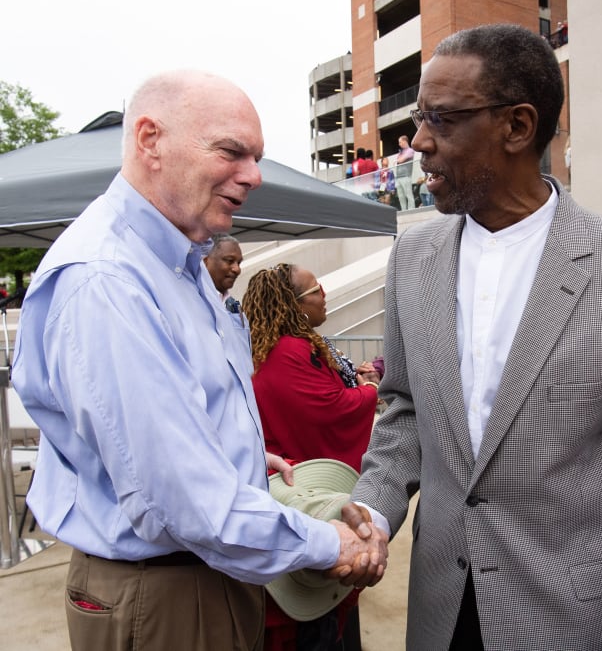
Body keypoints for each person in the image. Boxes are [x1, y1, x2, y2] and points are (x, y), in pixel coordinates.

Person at [345, 24, 602, 650]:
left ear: (516, 127)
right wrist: (371, 510)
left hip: (574, 621)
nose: (418, 144)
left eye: (443, 120)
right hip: (441, 614)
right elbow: (403, 411)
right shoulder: (412, 257)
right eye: (418, 120)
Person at [11, 70, 388, 651]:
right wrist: (332, 543)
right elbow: (184, 501)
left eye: (257, 157)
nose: (254, 176)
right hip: (164, 593)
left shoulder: (176, 266)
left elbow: (164, 431)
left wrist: (238, 454)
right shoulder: (109, 281)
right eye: (231, 151)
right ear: (149, 141)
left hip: (202, 578)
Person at [242, 263, 380, 650]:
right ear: (295, 305)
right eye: (316, 289)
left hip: (292, 494)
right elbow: (328, 410)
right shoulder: (289, 350)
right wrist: (368, 391)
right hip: (302, 495)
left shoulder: (274, 346)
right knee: (313, 620)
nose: (325, 294)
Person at [203, 233, 243, 299]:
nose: (237, 269)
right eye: (230, 260)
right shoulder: (191, 299)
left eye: (239, 263)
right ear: (205, 262)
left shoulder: (231, 304)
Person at [395, 135, 415, 210]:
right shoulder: (401, 153)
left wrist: (399, 160)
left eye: (400, 142)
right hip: (399, 177)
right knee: (401, 196)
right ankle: (404, 210)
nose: (399, 144)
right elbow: (397, 161)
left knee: (408, 195)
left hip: (406, 176)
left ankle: (412, 210)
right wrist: (399, 159)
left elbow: (400, 160)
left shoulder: (410, 150)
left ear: (404, 141)